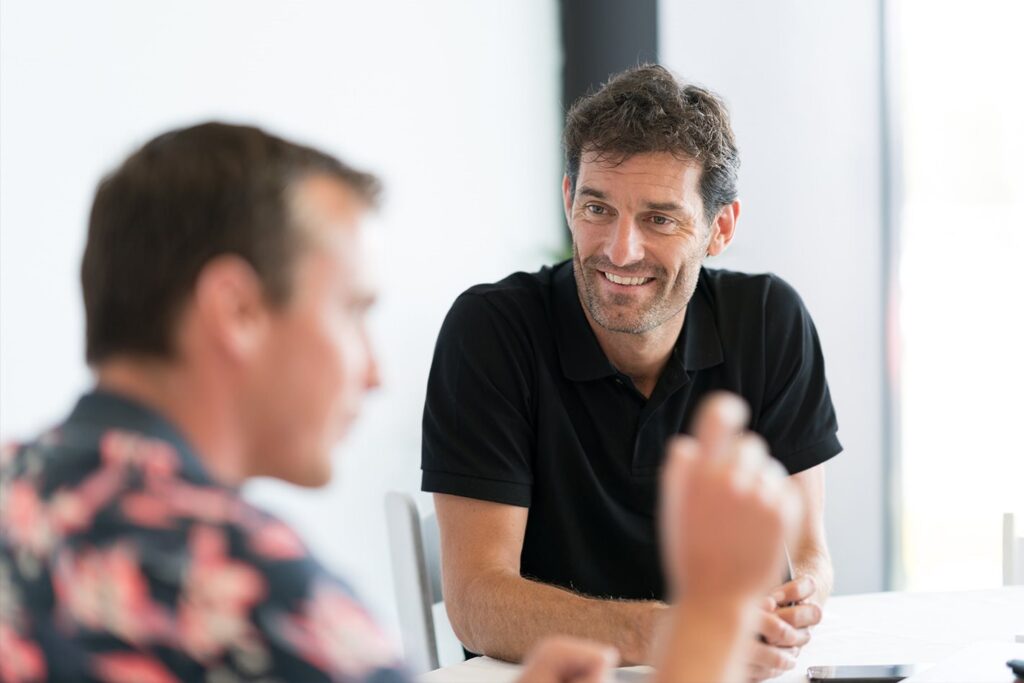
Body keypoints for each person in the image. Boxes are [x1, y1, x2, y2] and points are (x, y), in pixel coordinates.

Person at [0, 121, 797, 683]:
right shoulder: (241, 593)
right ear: (236, 311)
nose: (375, 370)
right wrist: (708, 622)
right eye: (351, 310)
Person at [422, 64, 841, 680]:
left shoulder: (770, 320)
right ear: (568, 200)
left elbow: (808, 551)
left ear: (718, 229)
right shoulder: (491, 329)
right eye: (597, 207)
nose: (620, 250)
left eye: (660, 219)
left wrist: (794, 602)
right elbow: (478, 602)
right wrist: (680, 632)